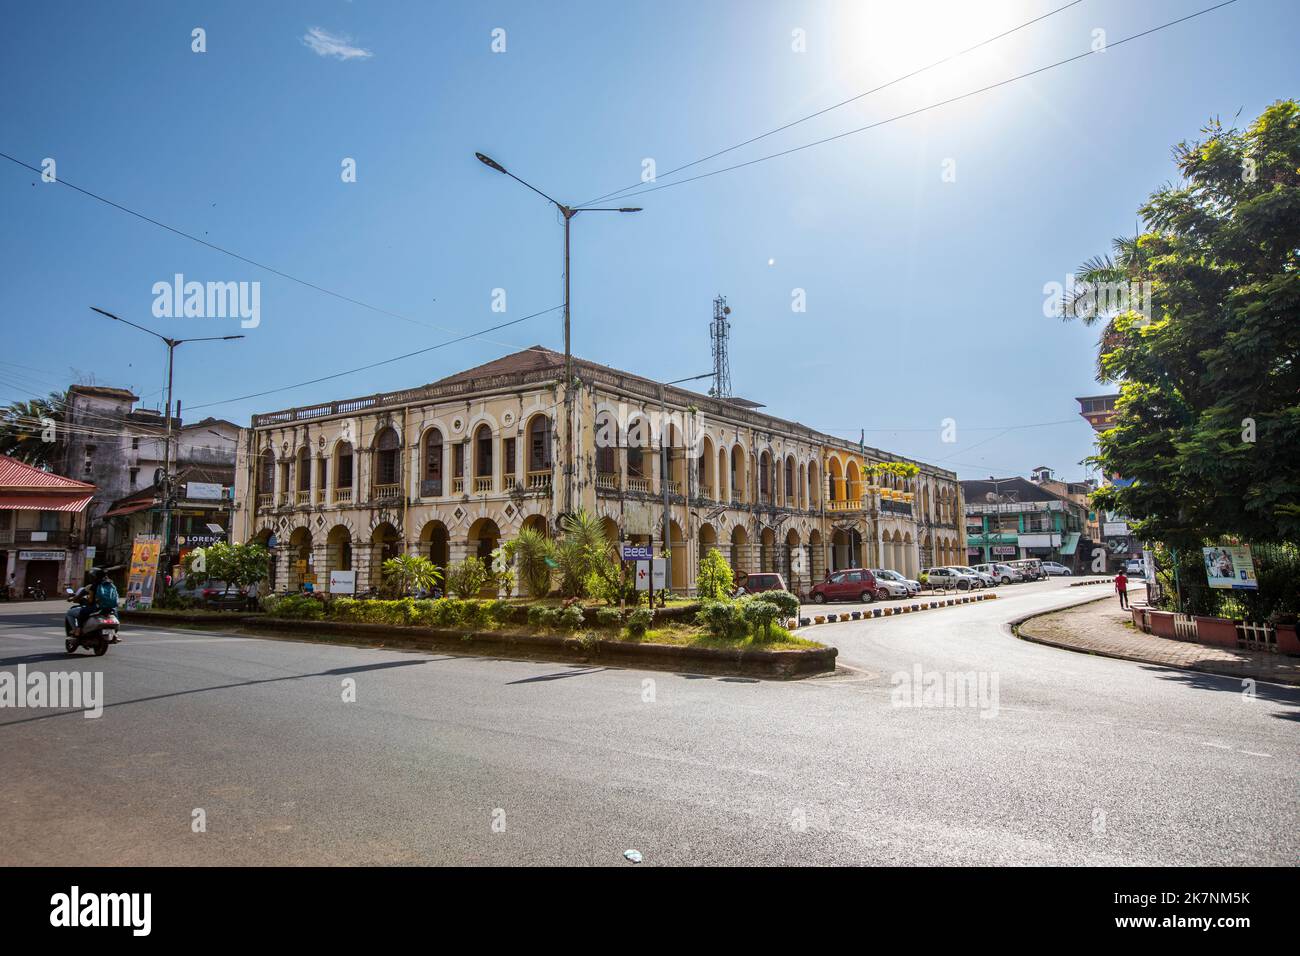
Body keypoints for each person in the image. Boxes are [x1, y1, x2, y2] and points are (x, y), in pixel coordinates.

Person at [74, 568, 120, 638]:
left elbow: (90, 600)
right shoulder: (111, 584)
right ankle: (115, 634)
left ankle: (78, 630)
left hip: (98, 607)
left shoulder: (94, 585)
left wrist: (87, 601)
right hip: (111, 607)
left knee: (82, 612)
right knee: (116, 616)